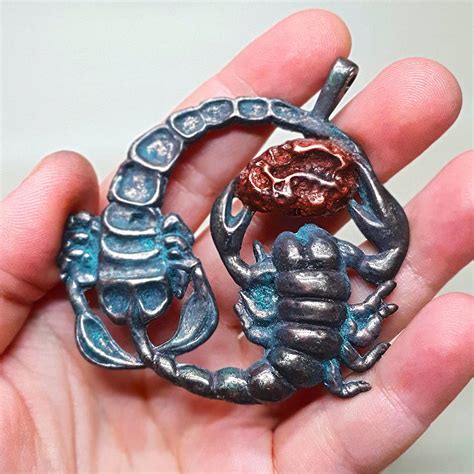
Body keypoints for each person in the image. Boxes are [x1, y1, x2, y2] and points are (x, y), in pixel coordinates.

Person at [1, 9, 472, 473]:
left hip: (286, 344)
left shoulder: (255, 279)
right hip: (292, 341)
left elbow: (247, 276)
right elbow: (373, 280)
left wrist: (242, 227)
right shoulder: (284, 279)